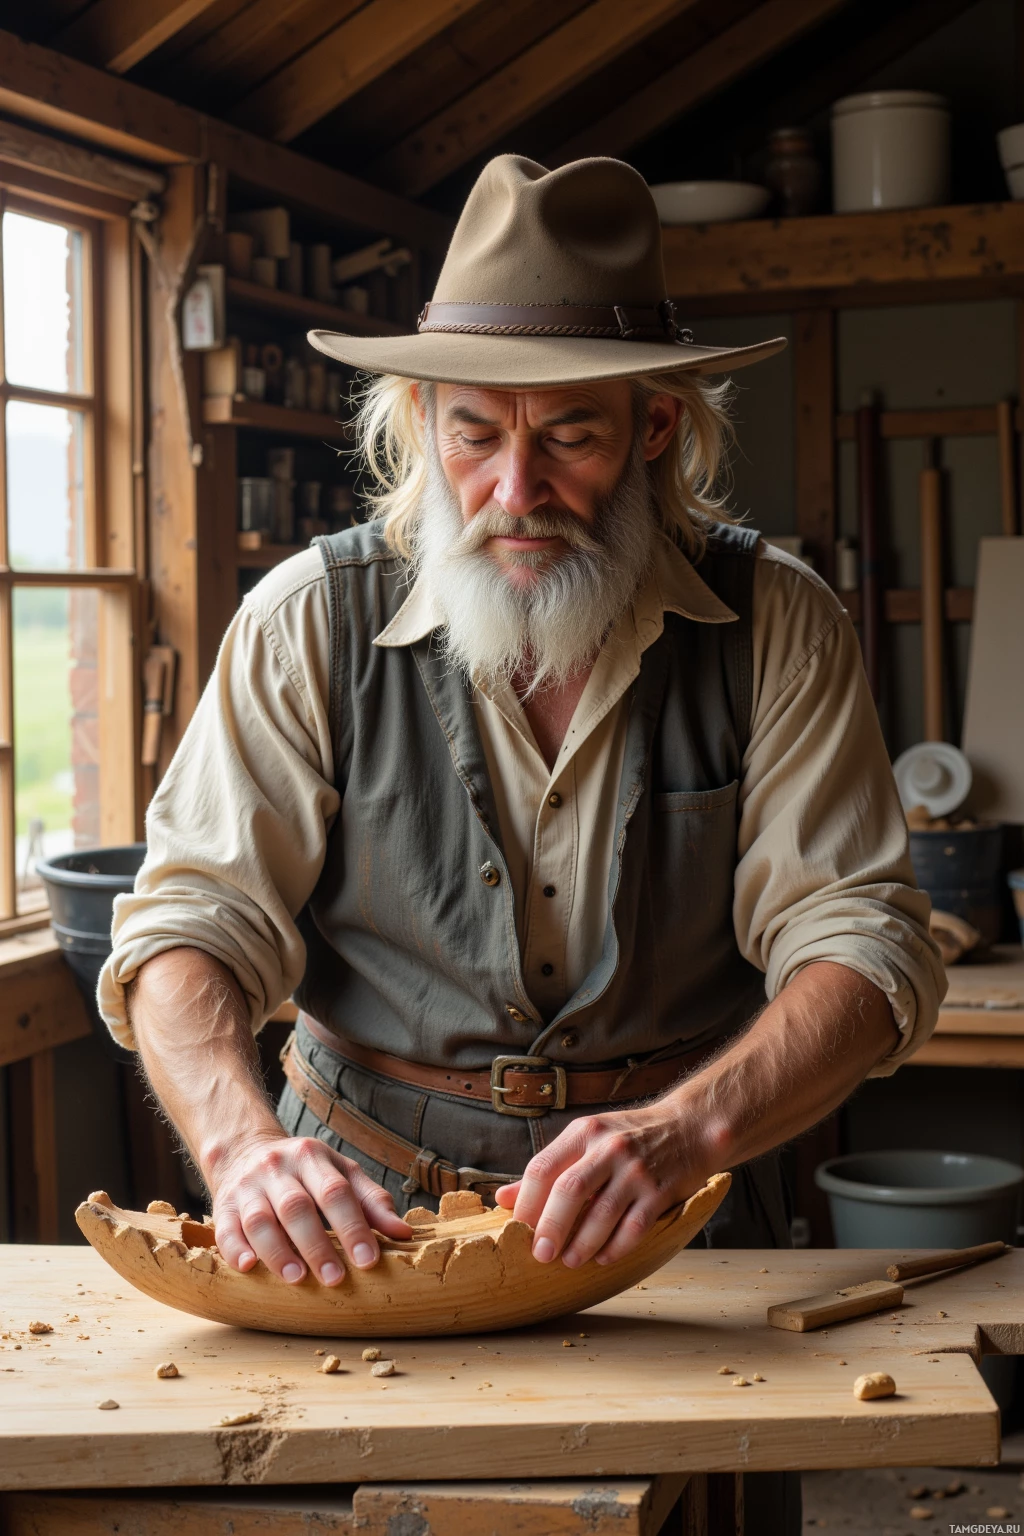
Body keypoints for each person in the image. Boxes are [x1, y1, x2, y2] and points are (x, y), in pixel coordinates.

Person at [100, 153, 943, 1300]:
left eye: (569, 437)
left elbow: (859, 940)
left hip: (677, 1209)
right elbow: (188, 921)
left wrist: (686, 1131)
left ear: (653, 427)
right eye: (474, 433)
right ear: (417, 418)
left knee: (706, 1480)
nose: (512, 489)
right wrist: (244, 1152)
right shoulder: (305, 619)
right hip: (358, 1225)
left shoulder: (775, 621)